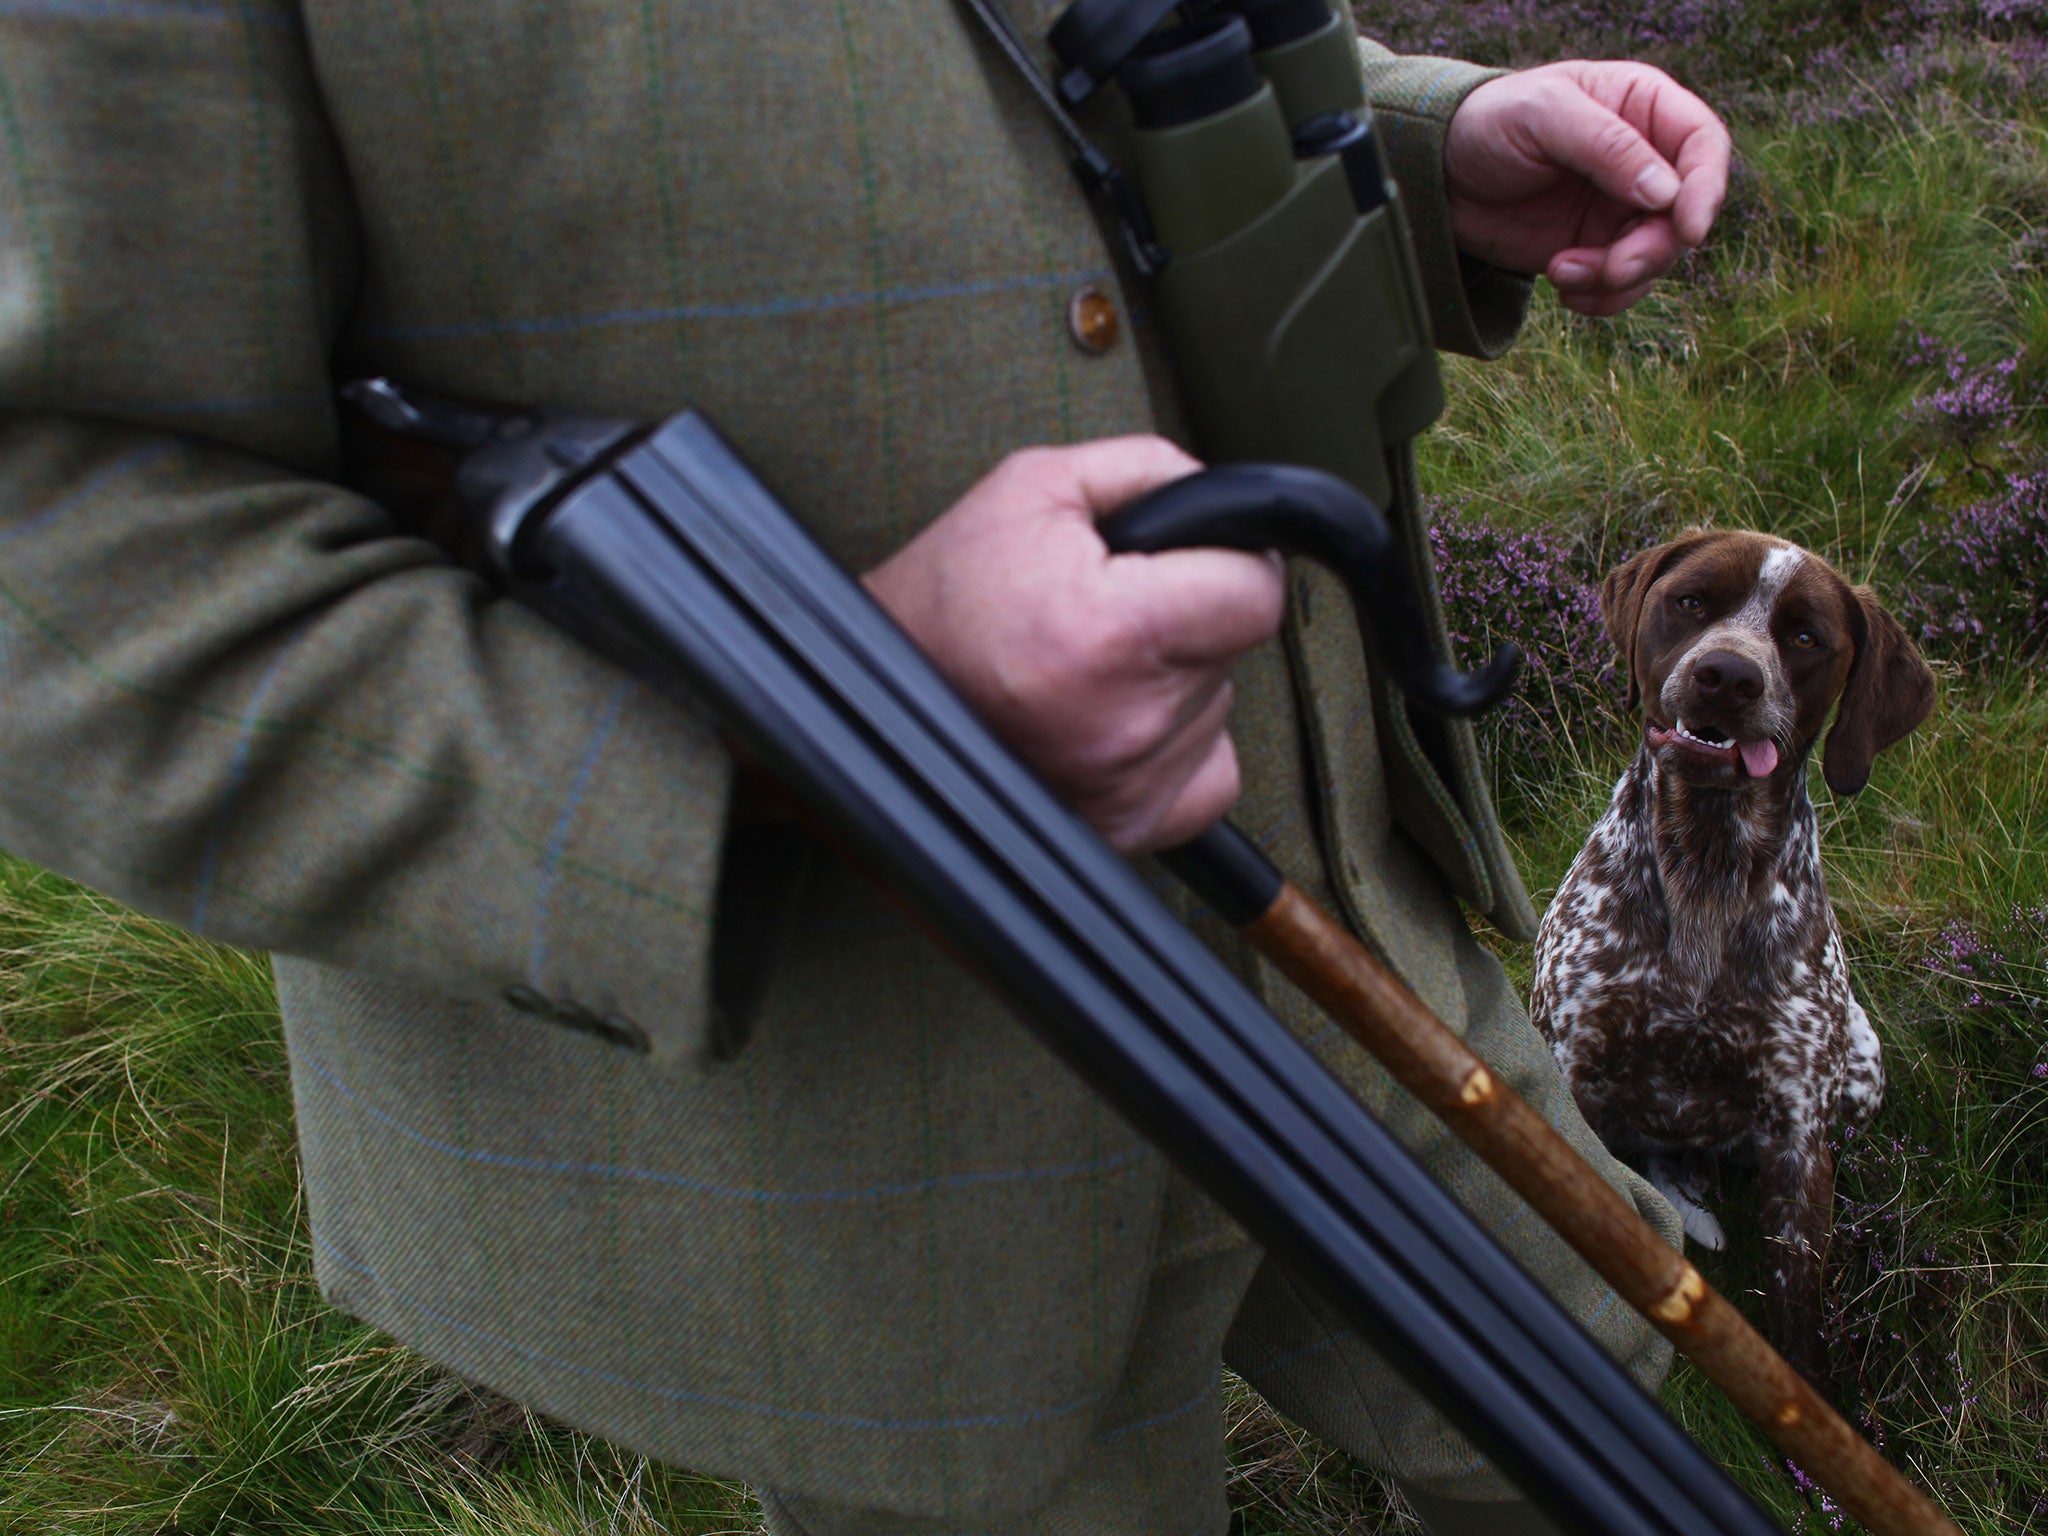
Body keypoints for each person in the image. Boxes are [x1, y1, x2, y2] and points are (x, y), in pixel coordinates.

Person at [0, 6, 1728, 1534]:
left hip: (1339, 905)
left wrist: (1407, 153)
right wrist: (826, 729)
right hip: (866, 1115)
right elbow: (60, 555)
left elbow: (1032, 65)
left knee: (1603, 1447)